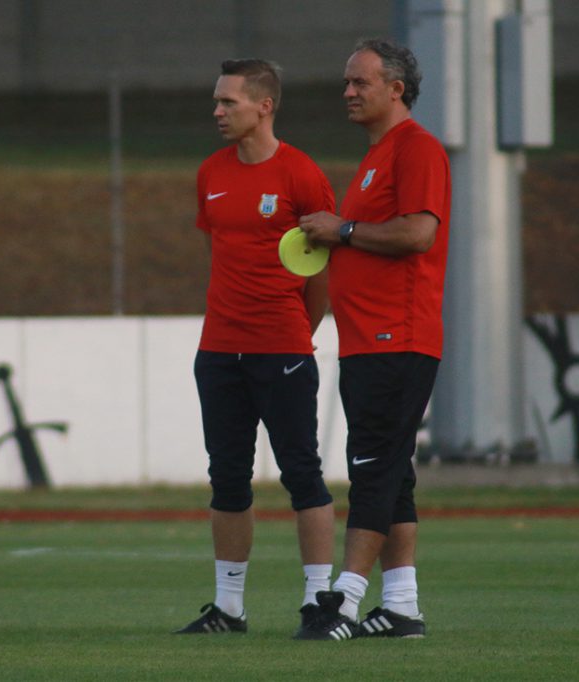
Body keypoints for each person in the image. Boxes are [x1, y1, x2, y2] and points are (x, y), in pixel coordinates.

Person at [176, 58, 338, 638]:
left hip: (282, 349)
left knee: (302, 474)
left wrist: (293, 333)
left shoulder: (301, 174)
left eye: (229, 102)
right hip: (219, 350)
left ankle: (318, 602)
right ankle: (229, 608)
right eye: (217, 101)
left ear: (264, 106)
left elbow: (320, 272)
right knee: (227, 479)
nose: (217, 111)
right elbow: (220, 255)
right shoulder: (210, 173)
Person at [296, 38, 451, 640]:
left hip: (396, 337)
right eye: (346, 82)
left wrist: (344, 229)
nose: (348, 92)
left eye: (360, 82)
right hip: (370, 340)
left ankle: (345, 600)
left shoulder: (417, 148)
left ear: (396, 89)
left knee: (374, 470)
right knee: (393, 474)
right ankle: (402, 605)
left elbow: (417, 234)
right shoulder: (377, 155)